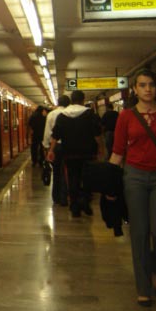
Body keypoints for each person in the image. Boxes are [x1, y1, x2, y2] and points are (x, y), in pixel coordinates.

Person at [109, 68, 156, 307]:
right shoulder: (126, 117)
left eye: (151, 84)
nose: (148, 89)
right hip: (135, 177)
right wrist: (110, 184)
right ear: (135, 89)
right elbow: (118, 151)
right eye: (142, 85)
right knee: (139, 233)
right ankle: (144, 287)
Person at [47, 90, 103, 218]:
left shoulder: (62, 115)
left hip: (69, 153)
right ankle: (85, 203)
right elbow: (97, 134)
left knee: (72, 178)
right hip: (88, 153)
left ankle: (74, 206)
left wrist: (51, 150)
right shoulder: (89, 114)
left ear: (72, 100)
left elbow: (55, 135)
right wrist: (101, 148)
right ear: (83, 100)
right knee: (87, 178)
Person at [42, 95, 71, 206]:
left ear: (58, 103)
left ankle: (56, 197)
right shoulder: (70, 113)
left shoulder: (51, 114)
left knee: (57, 171)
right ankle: (65, 196)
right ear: (69, 103)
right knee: (67, 171)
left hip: (55, 147)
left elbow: (47, 132)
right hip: (69, 146)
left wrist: (46, 147)